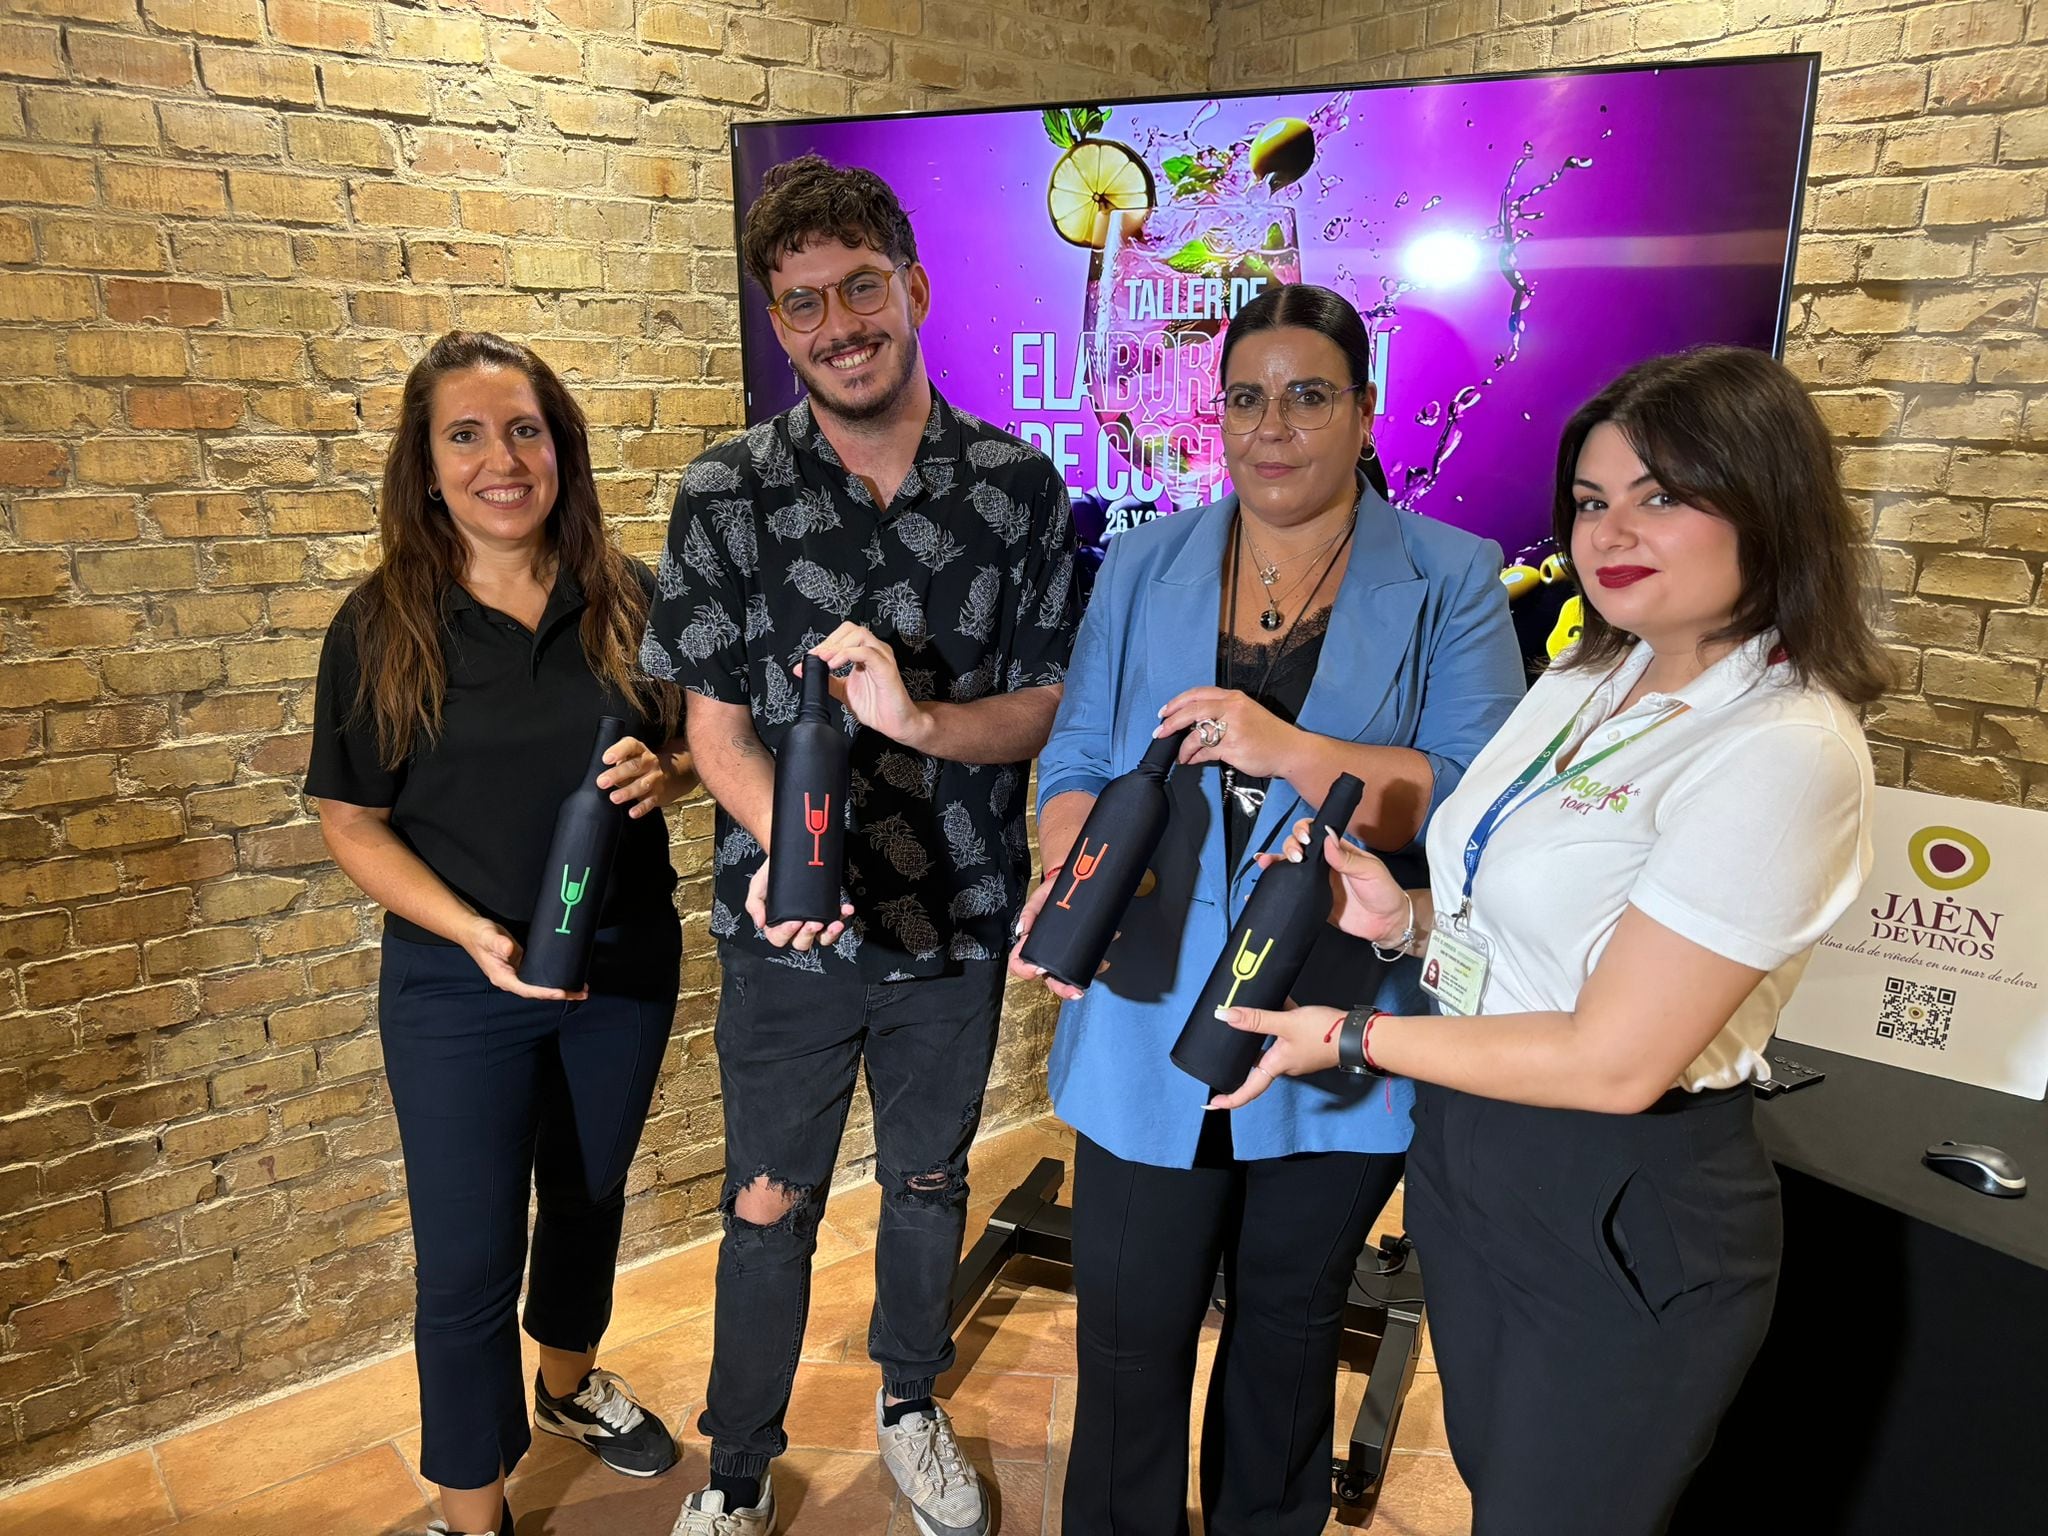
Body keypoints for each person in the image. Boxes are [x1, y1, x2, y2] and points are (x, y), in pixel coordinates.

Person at [1213, 346, 1887, 1535]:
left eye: (1662, 495)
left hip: (1618, 1200)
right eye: (1589, 501)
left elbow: (1613, 1060)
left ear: (1766, 503)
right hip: (1474, 1155)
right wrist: (1403, 918)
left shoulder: (1784, 747)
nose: (1610, 530)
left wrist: (1353, 1035)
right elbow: (1517, 931)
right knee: (1498, 1482)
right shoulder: (1589, 675)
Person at [1012, 283, 1524, 1536]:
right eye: (1245, 398)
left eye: (1308, 395)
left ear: (1363, 411)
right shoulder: (1140, 562)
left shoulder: (1450, 577)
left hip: (1330, 1015)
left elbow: (1462, 798)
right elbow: (1078, 757)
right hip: (1140, 1009)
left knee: (1287, 1346)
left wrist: (1285, 744)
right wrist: (1077, 872)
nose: (1271, 426)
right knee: (1128, 1350)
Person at [643, 155, 1079, 1536]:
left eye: (860, 288)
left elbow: (1049, 707)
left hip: (955, 919)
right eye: (802, 303)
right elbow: (715, 733)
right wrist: (800, 860)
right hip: (785, 929)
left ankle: (907, 1403)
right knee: (767, 1207)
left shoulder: (1018, 489)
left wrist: (929, 722)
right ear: (780, 324)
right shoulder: (725, 493)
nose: (836, 324)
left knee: (930, 1184)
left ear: (915, 289)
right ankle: (738, 1467)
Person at [308, 332, 695, 1536]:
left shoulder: (631, 599)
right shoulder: (380, 626)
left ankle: (569, 1389)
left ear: (560, 448)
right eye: (464, 435)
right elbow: (352, 820)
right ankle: (473, 1513)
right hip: (454, 982)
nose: (499, 459)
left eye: (523, 429)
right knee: (468, 1256)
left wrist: (671, 773)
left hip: (621, 962)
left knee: (587, 1197)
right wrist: (474, 933)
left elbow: (701, 748)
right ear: (426, 467)